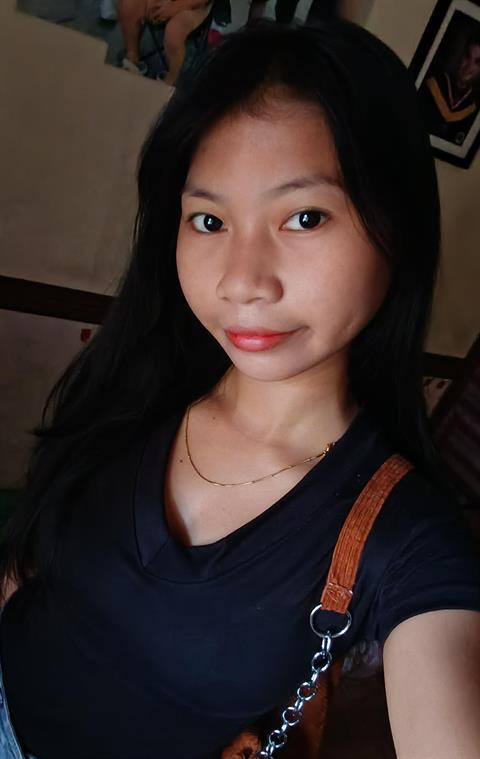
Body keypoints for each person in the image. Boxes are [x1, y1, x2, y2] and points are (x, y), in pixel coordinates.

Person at [1, 19, 480, 759]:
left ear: (399, 227)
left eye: (304, 217)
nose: (241, 281)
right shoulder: (140, 378)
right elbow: (31, 565)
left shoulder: (405, 536)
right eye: (208, 219)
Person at [117, 0, 213, 85]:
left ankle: (171, 80)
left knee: (174, 31)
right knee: (129, 4)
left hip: (194, 5)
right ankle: (132, 57)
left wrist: (175, 6)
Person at [419, 29, 480, 146]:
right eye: (468, 56)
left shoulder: (473, 108)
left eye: (477, 62)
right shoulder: (432, 84)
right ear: (461, 55)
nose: (468, 67)